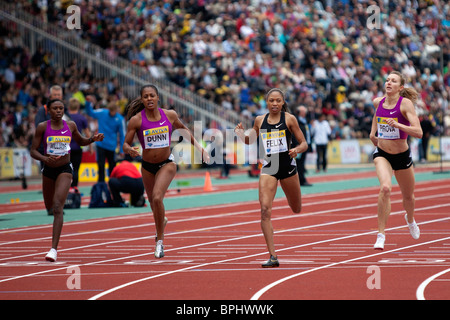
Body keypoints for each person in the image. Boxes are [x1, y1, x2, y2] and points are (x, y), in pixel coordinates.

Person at [123, 84, 209, 259]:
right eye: (145, 96)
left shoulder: (169, 115)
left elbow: (184, 131)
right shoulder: (136, 120)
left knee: (156, 197)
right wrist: (129, 149)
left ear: (157, 98)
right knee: (154, 205)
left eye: (152, 96)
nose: (149, 99)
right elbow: (125, 144)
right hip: (147, 166)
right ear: (142, 99)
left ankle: (160, 242)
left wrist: (200, 148)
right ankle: (161, 220)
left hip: (166, 163)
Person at [235, 88, 308, 268]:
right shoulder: (259, 120)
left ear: (283, 103)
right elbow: (249, 140)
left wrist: (296, 150)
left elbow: (304, 143)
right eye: (271, 101)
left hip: (287, 167)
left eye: (278, 101)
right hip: (269, 167)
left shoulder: (289, 119)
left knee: (296, 208)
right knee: (265, 210)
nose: (274, 104)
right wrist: (240, 135)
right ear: (266, 103)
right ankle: (273, 256)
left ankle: (293, 203)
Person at [30, 99, 104, 262]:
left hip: (65, 169)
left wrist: (93, 139)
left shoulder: (70, 126)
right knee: (50, 207)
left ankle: (53, 250)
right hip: (48, 170)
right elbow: (33, 150)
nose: (58, 111)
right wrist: (44, 158)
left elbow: (81, 141)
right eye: (55, 108)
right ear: (48, 110)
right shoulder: (43, 127)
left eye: (61, 108)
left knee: (58, 207)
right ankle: (53, 245)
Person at [369, 71, 423, 250]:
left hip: (402, 156)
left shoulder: (405, 104)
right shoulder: (378, 102)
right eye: (387, 80)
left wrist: (399, 125)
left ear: (400, 87)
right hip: (383, 153)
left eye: (393, 81)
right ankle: (381, 234)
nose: (388, 83)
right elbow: (377, 116)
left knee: (409, 196)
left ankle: (410, 218)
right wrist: (372, 132)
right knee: (385, 188)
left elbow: (419, 132)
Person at [85, 98, 125, 182]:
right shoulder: (103, 112)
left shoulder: (120, 119)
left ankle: (112, 184)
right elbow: (90, 112)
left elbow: (122, 135)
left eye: (113, 111)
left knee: (112, 167)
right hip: (101, 145)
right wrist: (88, 103)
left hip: (111, 146)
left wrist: (122, 150)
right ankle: (101, 185)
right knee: (101, 166)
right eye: (110, 111)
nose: (112, 113)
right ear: (108, 109)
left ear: (116, 110)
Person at [67, 97, 91, 190]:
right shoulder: (82, 118)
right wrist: (91, 147)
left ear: (69, 107)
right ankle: (75, 187)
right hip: (77, 146)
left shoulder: (65, 117)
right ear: (78, 107)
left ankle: (66, 188)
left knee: (66, 169)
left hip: (66, 147)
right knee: (76, 169)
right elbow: (88, 134)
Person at [295, 105, 312, 186]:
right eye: (304, 111)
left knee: (301, 163)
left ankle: (300, 179)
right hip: (299, 145)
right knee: (299, 163)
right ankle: (301, 180)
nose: (305, 113)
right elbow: (294, 133)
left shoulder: (305, 120)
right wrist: (297, 144)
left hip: (305, 144)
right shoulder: (296, 121)